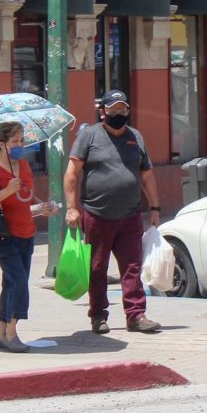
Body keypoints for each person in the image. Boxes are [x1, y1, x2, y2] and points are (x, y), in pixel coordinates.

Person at [64, 90, 162, 334]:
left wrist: (155, 207)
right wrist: (72, 208)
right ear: (102, 112)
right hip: (97, 214)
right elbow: (72, 173)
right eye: (113, 110)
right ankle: (98, 316)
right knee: (97, 268)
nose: (118, 114)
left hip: (130, 215)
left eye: (123, 109)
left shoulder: (135, 137)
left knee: (132, 267)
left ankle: (136, 315)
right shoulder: (89, 136)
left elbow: (146, 174)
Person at [0, 122, 58, 353]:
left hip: (26, 232)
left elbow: (25, 202)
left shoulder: (23, 166)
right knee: (19, 280)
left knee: (11, 282)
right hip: (3, 235)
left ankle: (0, 333)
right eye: (15, 141)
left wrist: (42, 208)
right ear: (2, 144)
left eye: (22, 140)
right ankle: (12, 333)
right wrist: (6, 190)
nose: (20, 145)